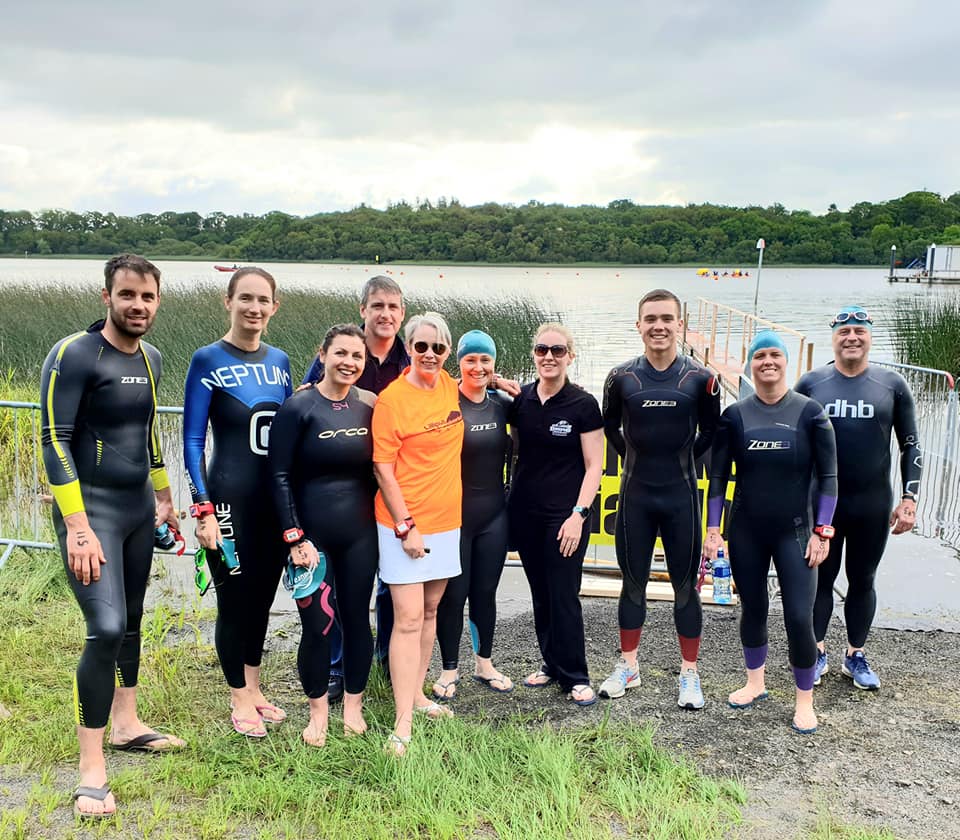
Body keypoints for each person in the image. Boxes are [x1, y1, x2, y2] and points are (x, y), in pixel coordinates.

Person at [40, 254, 184, 820]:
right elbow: (54, 438)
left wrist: (164, 496)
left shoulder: (150, 356)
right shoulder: (74, 353)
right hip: (90, 512)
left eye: (148, 297)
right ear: (107, 296)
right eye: (127, 295)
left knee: (130, 618)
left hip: (135, 510)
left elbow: (146, 433)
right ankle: (91, 768)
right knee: (103, 629)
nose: (138, 306)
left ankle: (127, 723)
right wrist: (77, 527)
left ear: (158, 302)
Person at [704, 330, 837, 734]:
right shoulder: (735, 415)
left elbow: (830, 477)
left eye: (775, 355)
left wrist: (823, 531)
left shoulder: (810, 412)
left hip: (796, 531)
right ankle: (755, 683)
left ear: (786, 362)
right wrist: (714, 530)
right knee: (754, 609)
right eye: (759, 356)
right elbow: (718, 476)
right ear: (750, 365)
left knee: (799, 616)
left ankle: (804, 700)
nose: (767, 362)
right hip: (746, 529)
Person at [183, 267, 292, 738]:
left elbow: (291, 433)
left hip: (270, 502)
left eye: (262, 299)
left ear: (274, 306)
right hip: (227, 499)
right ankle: (237, 696)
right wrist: (202, 507)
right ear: (227, 302)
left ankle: (254, 684)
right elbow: (190, 440)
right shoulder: (207, 359)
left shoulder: (281, 361)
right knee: (234, 600)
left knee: (264, 599)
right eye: (245, 297)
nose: (254, 307)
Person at [599, 289, 720, 709]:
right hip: (635, 496)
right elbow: (609, 427)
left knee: (686, 589)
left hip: (681, 495)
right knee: (632, 586)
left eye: (667, 318)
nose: (659, 326)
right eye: (650, 318)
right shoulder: (620, 378)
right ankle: (628, 666)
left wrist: (681, 455)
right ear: (639, 325)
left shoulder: (702, 380)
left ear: (680, 324)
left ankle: (689, 673)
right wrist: (637, 454)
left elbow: (712, 432)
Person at [795, 306, 921, 690]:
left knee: (862, 579)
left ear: (870, 337)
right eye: (844, 331)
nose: (852, 337)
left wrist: (909, 498)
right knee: (820, 579)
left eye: (859, 331)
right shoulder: (812, 383)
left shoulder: (891, 384)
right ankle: (817, 652)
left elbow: (910, 445)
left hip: (872, 503)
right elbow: (794, 446)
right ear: (833, 338)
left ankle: (855, 654)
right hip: (824, 504)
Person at [269, 324, 378, 746]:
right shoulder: (299, 407)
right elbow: (278, 476)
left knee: (356, 622)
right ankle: (317, 713)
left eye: (357, 356)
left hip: (360, 536)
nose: (349, 362)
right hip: (311, 540)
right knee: (316, 626)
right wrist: (294, 537)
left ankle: (353, 706)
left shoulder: (368, 405)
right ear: (323, 354)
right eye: (342, 354)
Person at [301, 275, 408, 702]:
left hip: (393, 485)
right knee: (344, 584)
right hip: (343, 487)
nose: (385, 314)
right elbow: (309, 397)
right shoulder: (345, 350)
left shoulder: (409, 356)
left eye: (394, 308)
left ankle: (380, 659)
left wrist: (491, 384)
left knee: (390, 580)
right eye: (377, 306)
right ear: (363, 309)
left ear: (402, 314)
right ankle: (336, 666)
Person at [372, 312, 463, 755]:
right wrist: (405, 525)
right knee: (406, 618)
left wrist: (506, 386)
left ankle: (420, 693)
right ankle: (401, 722)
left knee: (430, 611)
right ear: (408, 348)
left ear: (448, 352)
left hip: (448, 521)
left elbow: (481, 387)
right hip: (402, 523)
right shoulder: (392, 399)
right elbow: (381, 468)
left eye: (438, 348)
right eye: (421, 346)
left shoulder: (450, 385)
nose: (429, 354)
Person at [508, 323, 604, 707]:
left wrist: (578, 515)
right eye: (542, 349)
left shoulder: (582, 404)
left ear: (570, 357)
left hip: (565, 517)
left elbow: (594, 466)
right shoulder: (522, 400)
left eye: (558, 351)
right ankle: (551, 664)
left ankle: (575, 675)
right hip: (526, 514)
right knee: (541, 594)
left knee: (564, 595)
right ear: (534, 354)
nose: (549, 356)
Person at [432, 330, 514, 702]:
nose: (478, 367)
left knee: (485, 592)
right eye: (470, 359)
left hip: (494, 515)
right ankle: (449, 669)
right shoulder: (444, 401)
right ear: (458, 363)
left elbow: (549, 401)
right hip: (455, 517)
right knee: (454, 594)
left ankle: (484, 663)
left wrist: (504, 384)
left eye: (485, 360)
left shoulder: (502, 403)